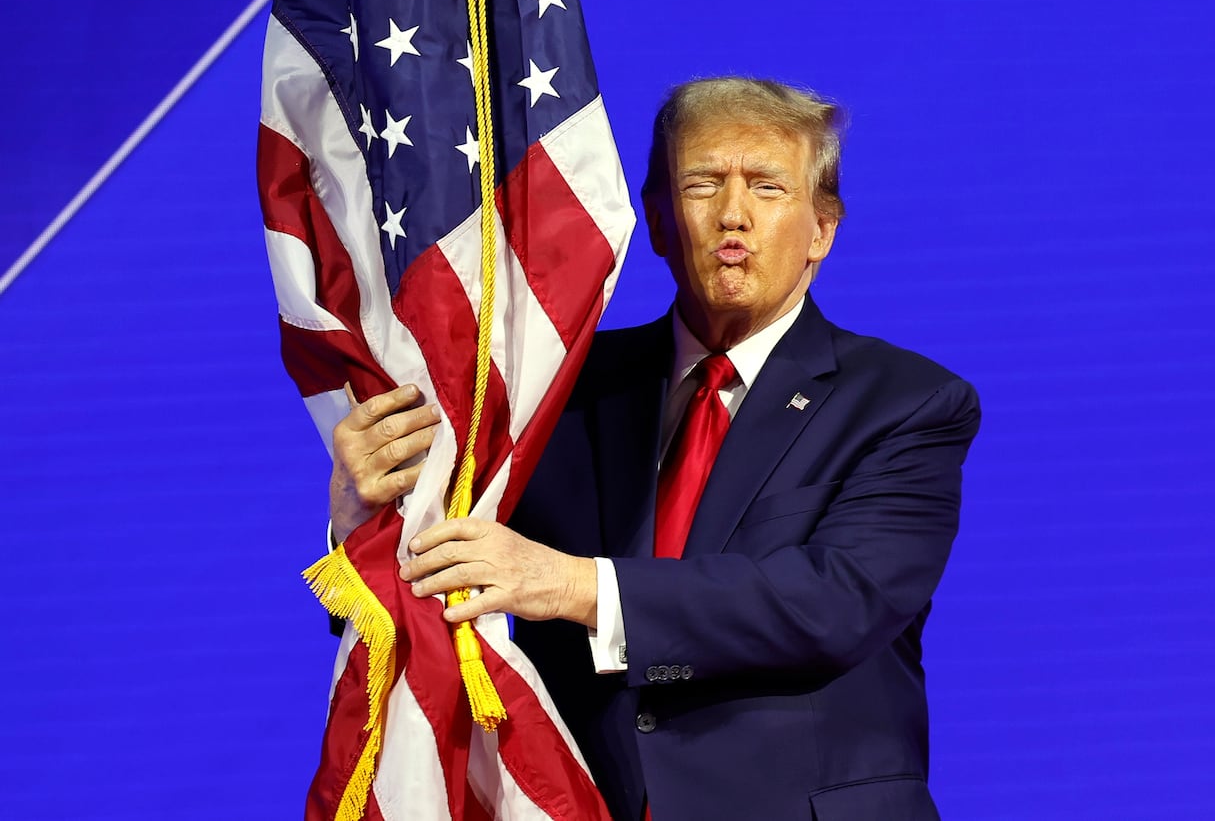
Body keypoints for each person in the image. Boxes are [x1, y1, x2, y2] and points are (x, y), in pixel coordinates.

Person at [330, 77, 981, 820]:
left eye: (767, 187)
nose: (732, 215)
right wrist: (366, 518)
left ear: (822, 230)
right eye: (702, 184)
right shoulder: (558, 392)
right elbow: (432, 582)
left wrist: (574, 587)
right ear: (660, 223)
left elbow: (834, 603)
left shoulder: (906, 402)